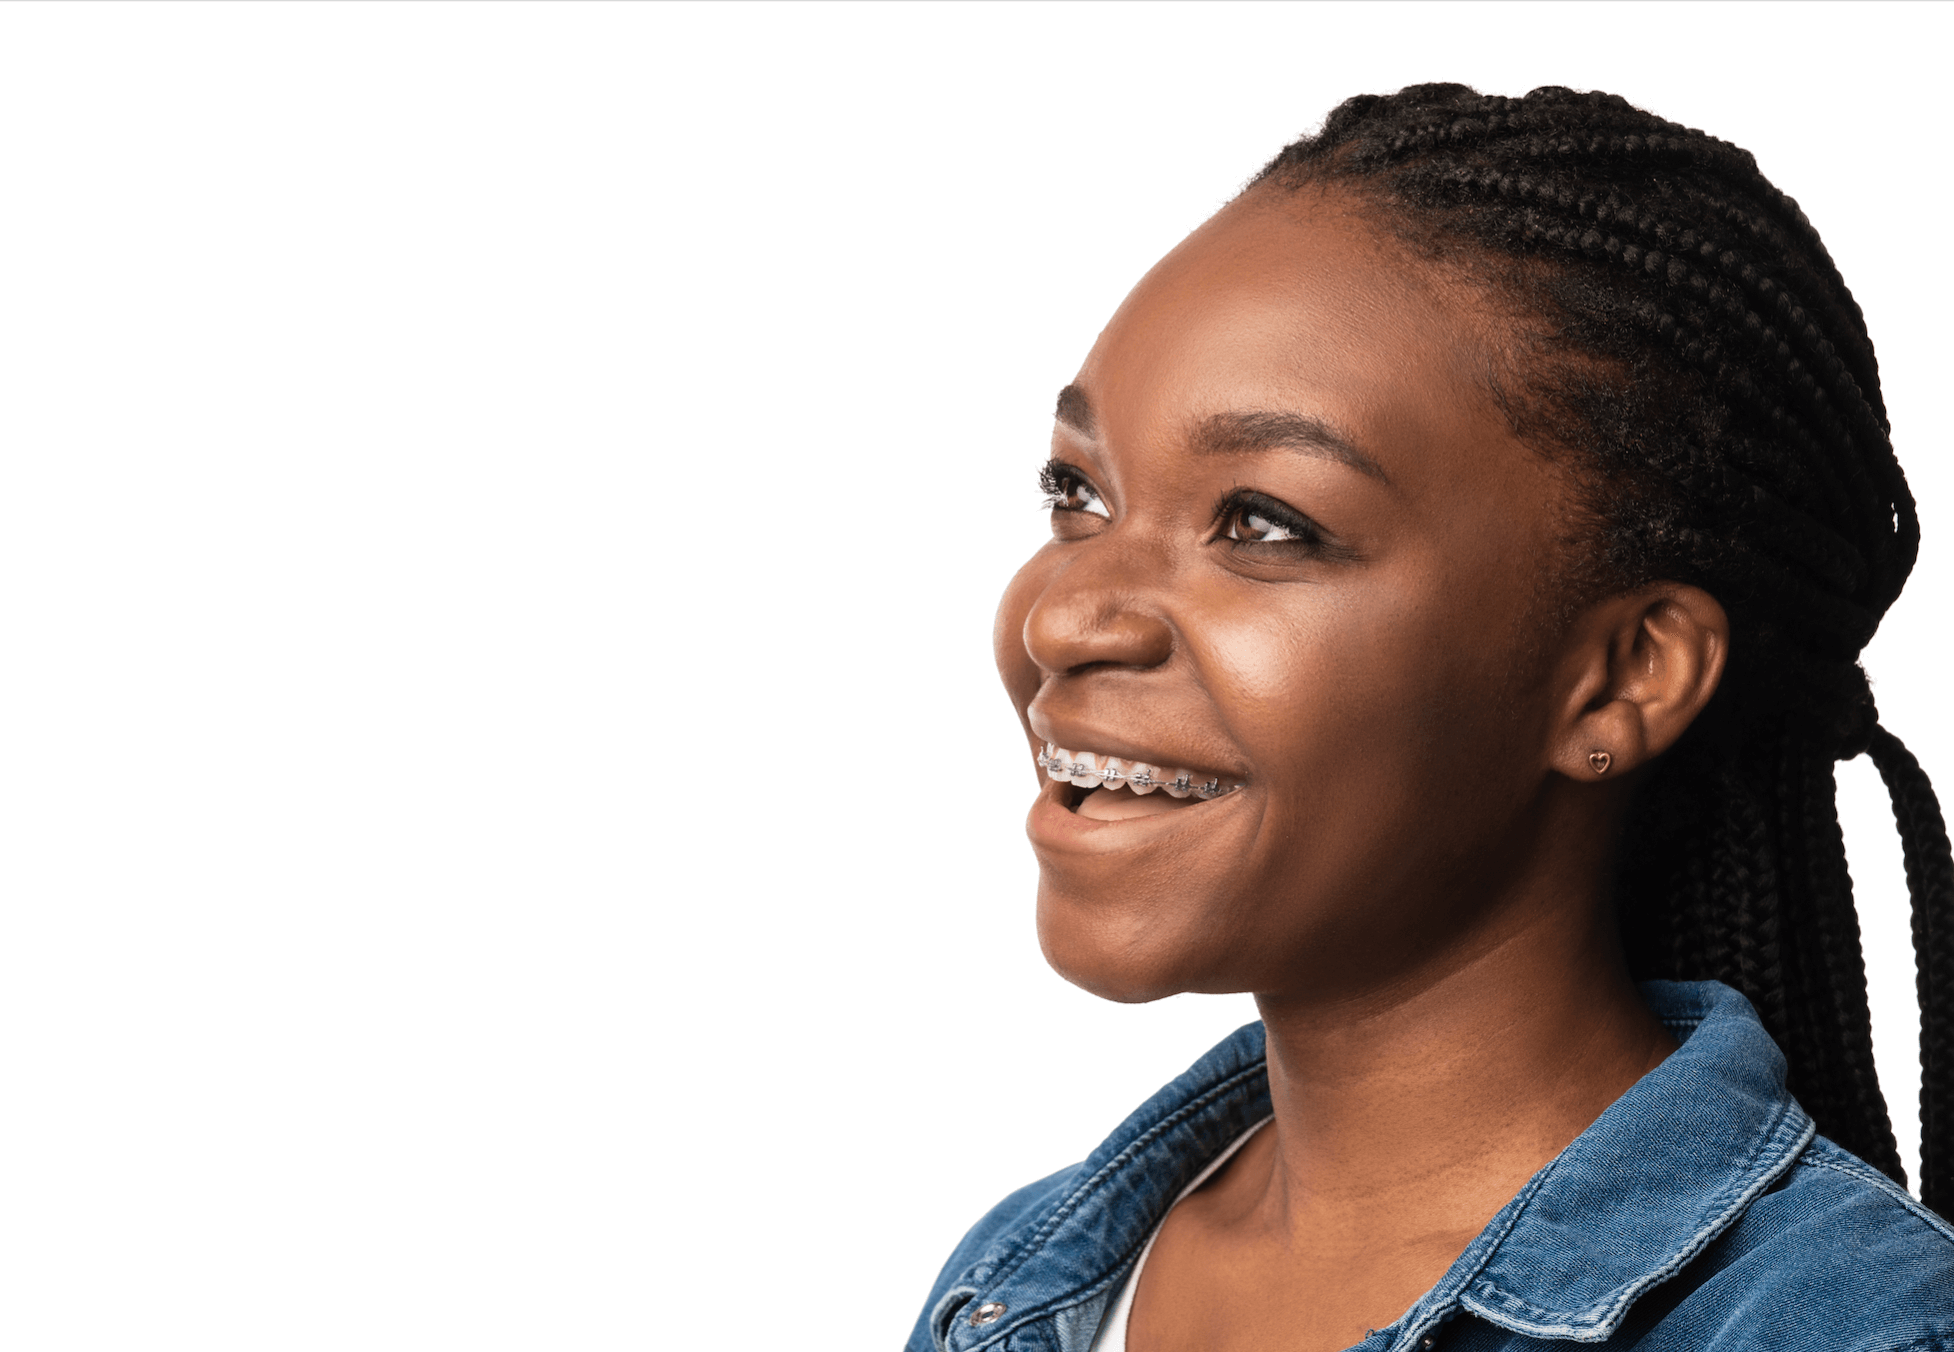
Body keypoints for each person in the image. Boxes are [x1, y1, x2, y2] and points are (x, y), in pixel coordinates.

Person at [908, 86, 1954, 1352]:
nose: (1065, 618)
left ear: (1622, 674)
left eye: (1263, 522)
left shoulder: (1844, 1326)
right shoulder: (1026, 1274)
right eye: (1077, 491)